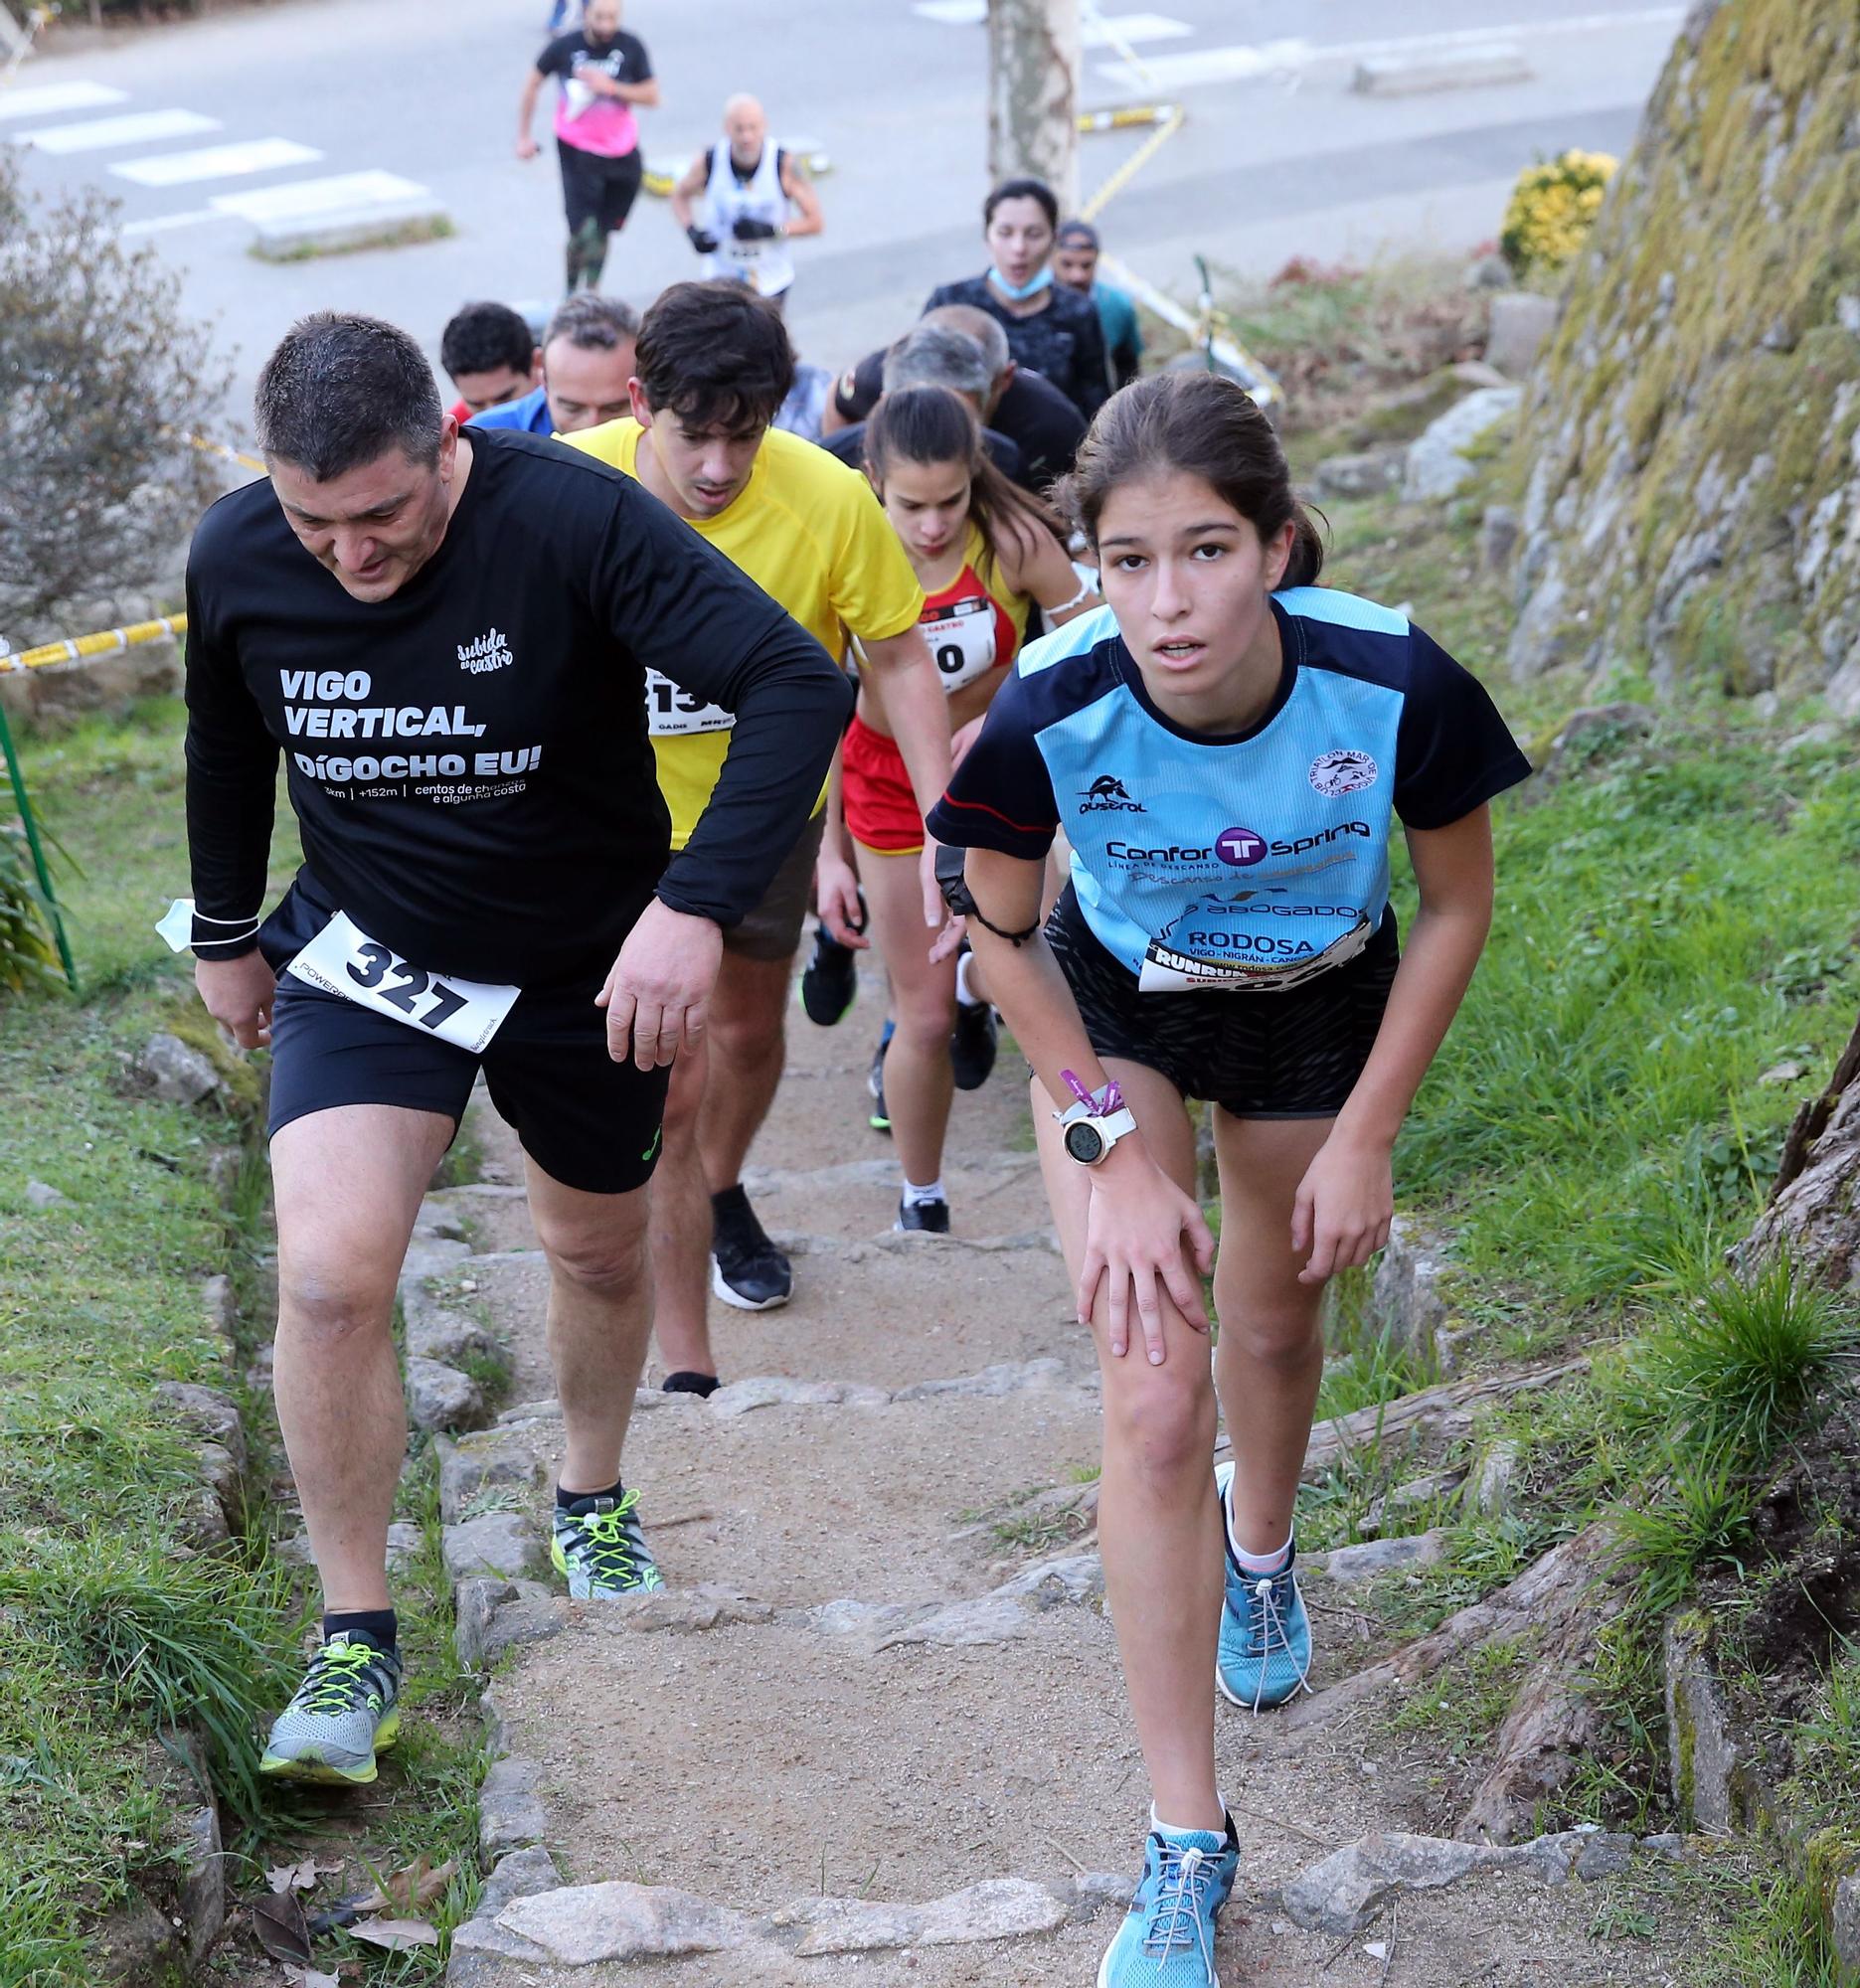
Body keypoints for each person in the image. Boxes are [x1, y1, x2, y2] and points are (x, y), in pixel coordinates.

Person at [181, 311, 849, 1784]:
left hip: (585, 968)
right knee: (330, 1277)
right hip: (372, 960)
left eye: (380, 516)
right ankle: (354, 1635)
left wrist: (690, 907)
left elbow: (798, 685)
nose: (347, 556)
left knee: (598, 1253)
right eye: (312, 520)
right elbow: (226, 743)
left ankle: (588, 1489)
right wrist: (225, 929)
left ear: (451, 449)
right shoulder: (238, 556)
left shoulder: (574, 521)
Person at [927, 372, 1530, 1986]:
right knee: (1152, 1394)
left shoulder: (1389, 680)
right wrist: (1110, 1154)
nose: (1168, 602)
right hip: (1114, 1008)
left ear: (1275, 546)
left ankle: (1263, 1556)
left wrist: (1370, 1133)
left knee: (1271, 1329)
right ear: (1088, 564)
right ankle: (1184, 1843)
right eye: (1128, 562)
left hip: (1320, 1005)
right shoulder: (1051, 706)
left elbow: (1458, 899)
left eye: (1204, 552)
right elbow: (991, 929)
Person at [564, 282, 950, 1385]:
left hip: (762, 818)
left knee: (739, 1036)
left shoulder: (829, 499)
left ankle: (716, 1186)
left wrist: (941, 828)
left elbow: (897, 655)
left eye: (748, 433)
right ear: (641, 404)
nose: (722, 466)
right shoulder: (569, 483)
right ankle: (681, 1358)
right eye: (695, 435)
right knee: (665, 1083)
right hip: (609, 822)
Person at [816, 385, 1092, 1230]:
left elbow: (1095, 632)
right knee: (921, 1011)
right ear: (871, 479)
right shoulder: (843, 551)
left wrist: (1019, 709)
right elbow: (817, 708)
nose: (932, 526)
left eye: (948, 502)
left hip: (1000, 774)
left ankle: (1087, 1181)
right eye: (910, 505)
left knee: (1052, 983)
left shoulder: (1008, 541)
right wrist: (828, 850)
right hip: (886, 784)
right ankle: (920, 1195)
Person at [822, 305, 1087, 496]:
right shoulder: (878, 374)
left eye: (959, 412)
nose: (940, 427)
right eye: (922, 411)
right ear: (888, 398)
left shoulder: (1052, 427)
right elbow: (838, 402)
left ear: (1001, 381)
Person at [924, 177, 1109, 422]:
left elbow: (1097, 403)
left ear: (1053, 239)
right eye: (1005, 233)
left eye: (1034, 234)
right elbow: (917, 387)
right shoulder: (950, 303)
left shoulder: (1077, 311)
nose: (1019, 248)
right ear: (987, 236)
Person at [516, 0, 659, 295]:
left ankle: (593, 291)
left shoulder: (630, 46)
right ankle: (570, 291)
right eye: (599, 17)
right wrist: (524, 136)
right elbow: (532, 84)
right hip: (577, 150)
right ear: (585, 14)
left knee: (604, 230)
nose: (606, 25)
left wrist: (612, 88)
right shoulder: (566, 47)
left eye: (612, 18)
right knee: (582, 231)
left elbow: (652, 95)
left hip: (622, 152)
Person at [670, 93, 822, 313]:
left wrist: (772, 230)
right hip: (720, 282)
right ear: (726, 128)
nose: (746, 137)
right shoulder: (710, 161)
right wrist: (692, 231)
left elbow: (815, 222)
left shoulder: (783, 164)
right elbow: (679, 196)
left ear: (764, 126)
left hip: (769, 281)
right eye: (739, 129)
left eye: (753, 128)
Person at [819, 323, 1025, 484]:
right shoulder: (831, 463)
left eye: (953, 417)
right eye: (911, 506)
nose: (932, 528)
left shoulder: (1004, 459)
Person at [470, 293, 639, 436]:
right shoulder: (486, 441)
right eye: (572, 408)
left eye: (614, 409)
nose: (591, 428)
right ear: (543, 377)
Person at [1055, 219, 1143, 392]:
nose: (1077, 276)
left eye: (1086, 265)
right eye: (1067, 264)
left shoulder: (1118, 306)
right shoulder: (1032, 305)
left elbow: (1129, 368)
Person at [438, 301, 541, 425]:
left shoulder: (568, 408)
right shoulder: (455, 434)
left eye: (504, 402)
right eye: (477, 406)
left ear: (537, 363)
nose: (493, 421)